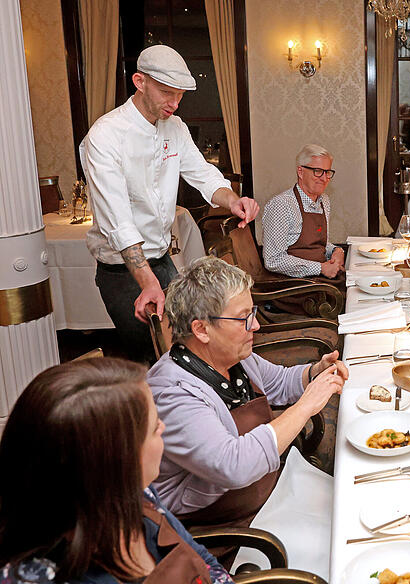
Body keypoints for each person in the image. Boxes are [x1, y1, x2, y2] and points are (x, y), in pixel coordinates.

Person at [146, 257, 345, 541]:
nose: (256, 325)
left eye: (253, 313)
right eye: (243, 318)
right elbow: (234, 465)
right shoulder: (173, 392)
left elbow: (278, 382)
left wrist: (315, 372)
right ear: (201, 329)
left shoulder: (233, 356)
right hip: (225, 526)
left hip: (265, 491)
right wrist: (305, 407)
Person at [80, 44, 259, 361]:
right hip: (122, 270)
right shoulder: (105, 136)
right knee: (153, 358)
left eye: (180, 95)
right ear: (139, 81)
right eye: (166, 93)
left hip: (162, 259)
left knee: (191, 347)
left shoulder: (174, 127)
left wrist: (233, 201)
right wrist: (148, 282)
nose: (174, 104)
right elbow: (118, 222)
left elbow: (203, 174)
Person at [0, 357, 233, 584]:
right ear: (116, 463)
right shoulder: (37, 576)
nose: (163, 427)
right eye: (154, 428)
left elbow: (204, 561)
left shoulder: (139, 494)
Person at [261, 144, 345, 284]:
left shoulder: (324, 200)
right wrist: (320, 268)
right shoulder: (281, 205)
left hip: (318, 280)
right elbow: (273, 260)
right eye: (318, 171)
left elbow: (319, 245)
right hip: (293, 285)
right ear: (300, 172)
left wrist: (337, 251)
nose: (324, 178)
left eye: (327, 172)